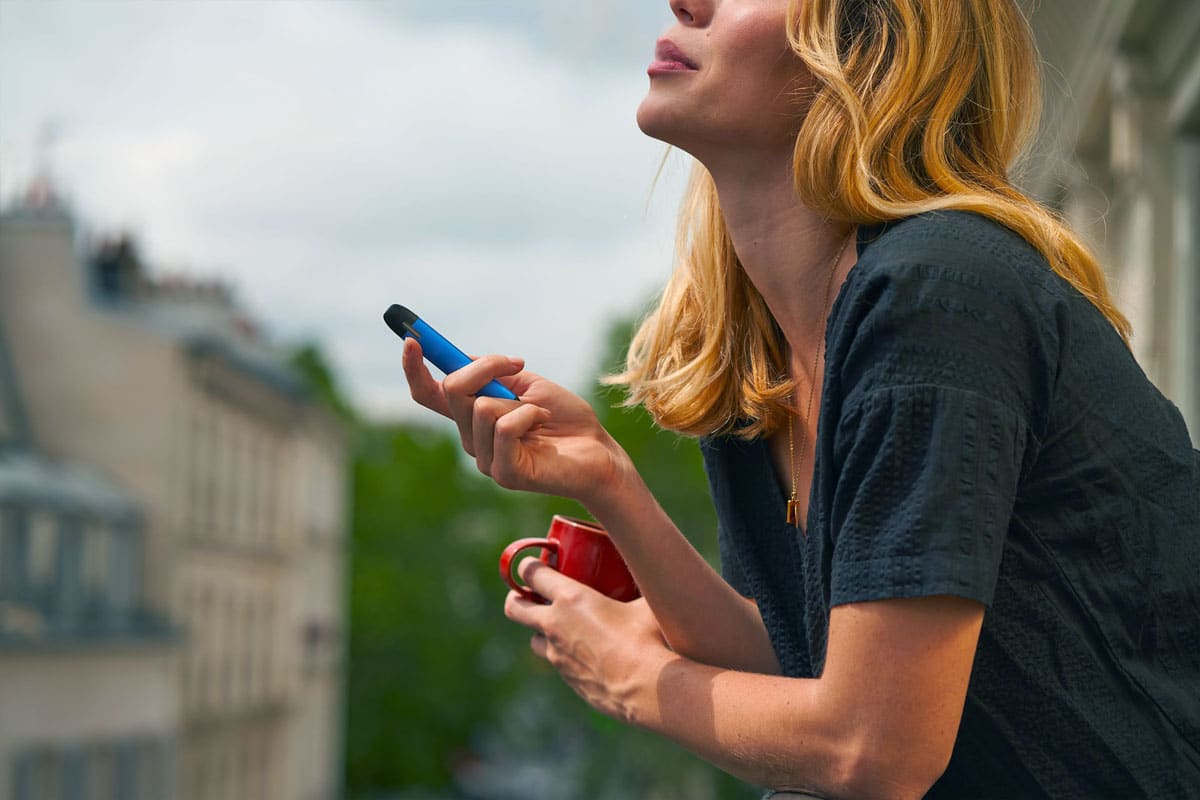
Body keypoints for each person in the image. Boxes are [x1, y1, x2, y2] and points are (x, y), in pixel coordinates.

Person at [401, 0, 1200, 797]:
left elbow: (871, 746)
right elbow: (798, 664)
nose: (685, 1)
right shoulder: (761, 359)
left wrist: (633, 674)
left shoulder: (937, 296)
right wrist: (604, 477)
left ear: (871, 40)